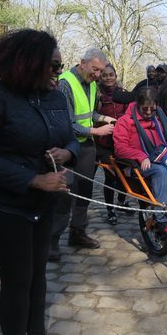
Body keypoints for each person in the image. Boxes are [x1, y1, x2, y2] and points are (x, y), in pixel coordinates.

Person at [0, 28, 77, 335]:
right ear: (29, 63)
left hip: (41, 204)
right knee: (18, 279)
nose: (59, 72)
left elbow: (69, 137)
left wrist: (68, 153)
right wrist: (34, 180)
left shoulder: (54, 97)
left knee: (37, 273)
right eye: (53, 66)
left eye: (61, 65)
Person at [50, 48, 115, 260]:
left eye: (101, 71)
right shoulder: (66, 83)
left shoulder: (92, 84)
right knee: (63, 194)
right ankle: (52, 240)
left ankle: (78, 232)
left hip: (86, 147)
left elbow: (89, 112)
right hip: (67, 148)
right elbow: (67, 123)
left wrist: (104, 118)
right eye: (95, 69)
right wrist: (97, 130)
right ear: (83, 63)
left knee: (84, 191)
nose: (98, 75)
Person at [113, 87, 167, 232]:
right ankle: (162, 220)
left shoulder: (157, 119)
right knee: (161, 172)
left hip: (159, 159)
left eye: (152, 109)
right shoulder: (125, 121)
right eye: (144, 109)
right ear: (137, 105)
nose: (148, 113)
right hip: (136, 164)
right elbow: (120, 148)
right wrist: (141, 156)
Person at [94, 63, 134, 225]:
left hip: (123, 142)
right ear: (101, 78)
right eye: (105, 75)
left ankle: (122, 201)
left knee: (124, 175)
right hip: (104, 143)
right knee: (110, 177)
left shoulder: (123, 94)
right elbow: (93, 116)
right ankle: (110, 209)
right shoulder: (97, 95)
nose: (108, 78)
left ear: (116, 77)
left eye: (111, 75)